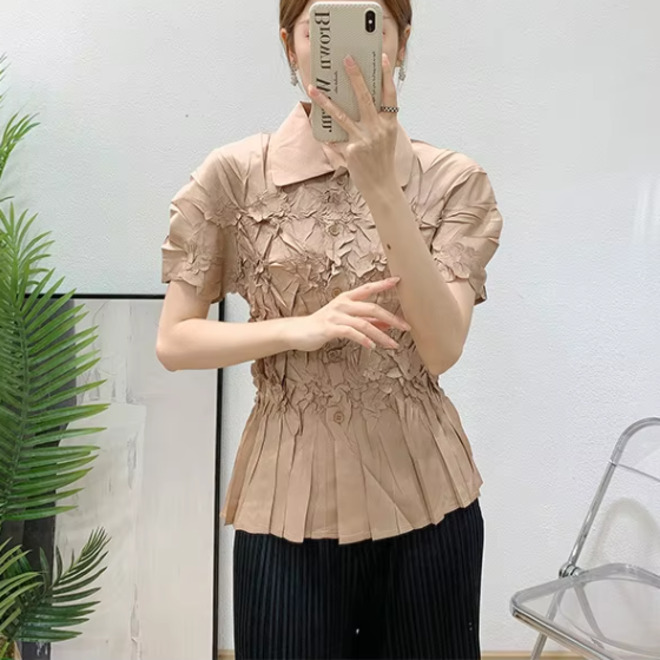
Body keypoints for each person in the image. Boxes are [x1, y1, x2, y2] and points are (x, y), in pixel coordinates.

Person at [156, 0, 503, 657]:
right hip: (286, 498)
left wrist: (382, 186)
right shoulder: (235, 175)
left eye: (369, 24)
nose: (345, 50)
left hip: (428, 497)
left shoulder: (454, 182)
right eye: (321, 27)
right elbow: (175, 341)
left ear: (401, 42)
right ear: (290, 45)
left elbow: (442, 348)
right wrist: (298, 330)